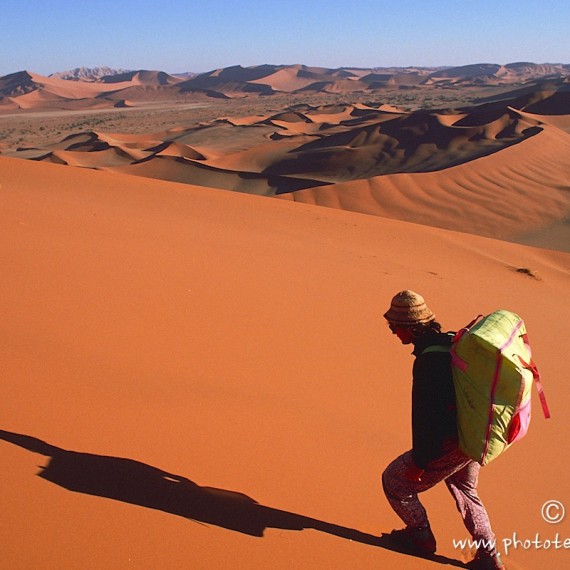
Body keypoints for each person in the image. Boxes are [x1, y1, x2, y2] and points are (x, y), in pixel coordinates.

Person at [381, 290, 505, 570]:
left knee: (394, 483)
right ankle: (489, 555)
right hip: (473, 434)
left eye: (394, 327)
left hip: (451, 441)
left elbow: (428, 417)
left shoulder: (428, 362)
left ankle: (420, 535)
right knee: (465, 488)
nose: (393, 332)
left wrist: (420, 462)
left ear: (409, 327)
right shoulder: (452, 342)